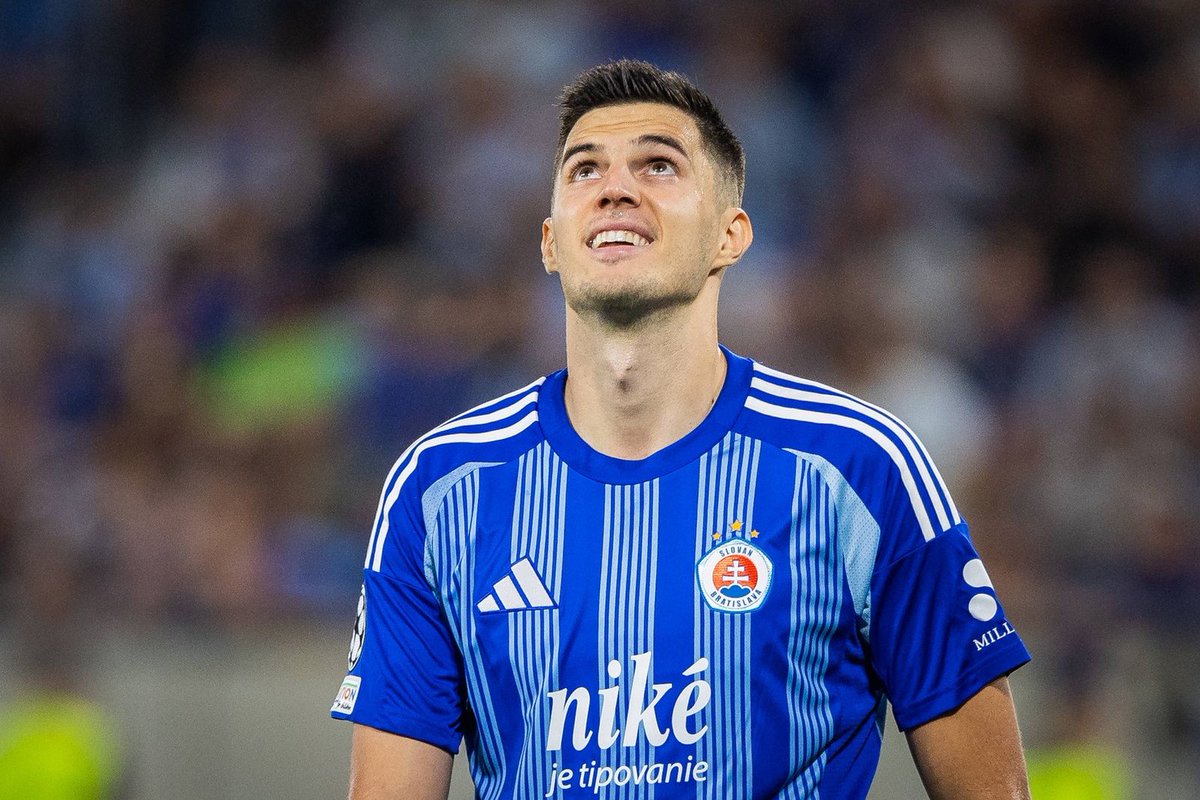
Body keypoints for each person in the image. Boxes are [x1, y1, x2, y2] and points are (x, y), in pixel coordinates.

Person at [331, 59, 1032, 800]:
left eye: (658, 165)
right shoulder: (440, 489)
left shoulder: (858, 469)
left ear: (730, 235)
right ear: (550, 242)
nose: (615, 188)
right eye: (584, 169)